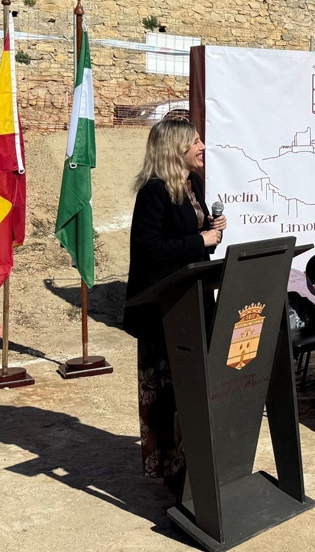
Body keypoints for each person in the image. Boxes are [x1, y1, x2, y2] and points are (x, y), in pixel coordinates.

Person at [123, 118, 226, 495]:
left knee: (195, 388)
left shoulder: (192, 183)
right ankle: (173, 472)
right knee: (167, 393)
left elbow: (190, 238)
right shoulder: (153, 192)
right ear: (174, 148)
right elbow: (149, 249)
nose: (202, 146)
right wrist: (201, 239)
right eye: (195, 141)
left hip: (195, 300)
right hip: (164, 310)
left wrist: (212, 230)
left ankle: (195, 462)